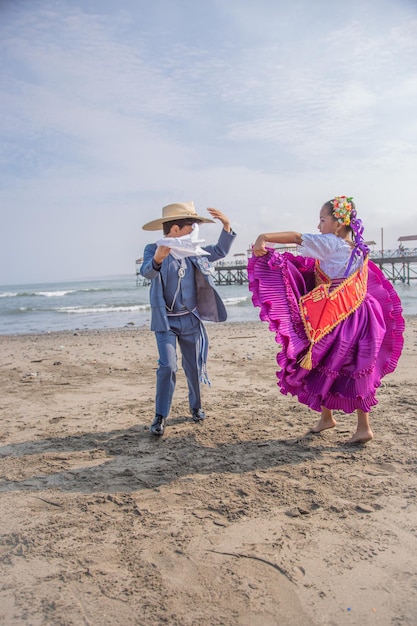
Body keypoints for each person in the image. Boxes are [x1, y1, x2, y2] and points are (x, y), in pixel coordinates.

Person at [249, 196, 405, 444]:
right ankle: (345, 422)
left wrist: (264, 237)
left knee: (324, 360)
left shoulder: (330, 243)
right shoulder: (357, 247)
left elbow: (297, 238)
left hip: (339, 317)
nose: (319, 225)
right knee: (356, 366)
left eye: (323, 220)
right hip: (365, 314)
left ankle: (341, 421)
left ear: (339, 223)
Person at [140, 201, 236, 436]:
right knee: (168, 366)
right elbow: (147, 272)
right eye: (192, 226)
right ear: (175, 229)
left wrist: (227, 225)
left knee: (193, 366)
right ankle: (160, 416)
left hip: (191, 319)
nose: (196, 230)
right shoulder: (154, 249)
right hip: (166, 322)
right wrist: (159, 260)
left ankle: (196, 406)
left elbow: (220, 251)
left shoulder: (195, 251)